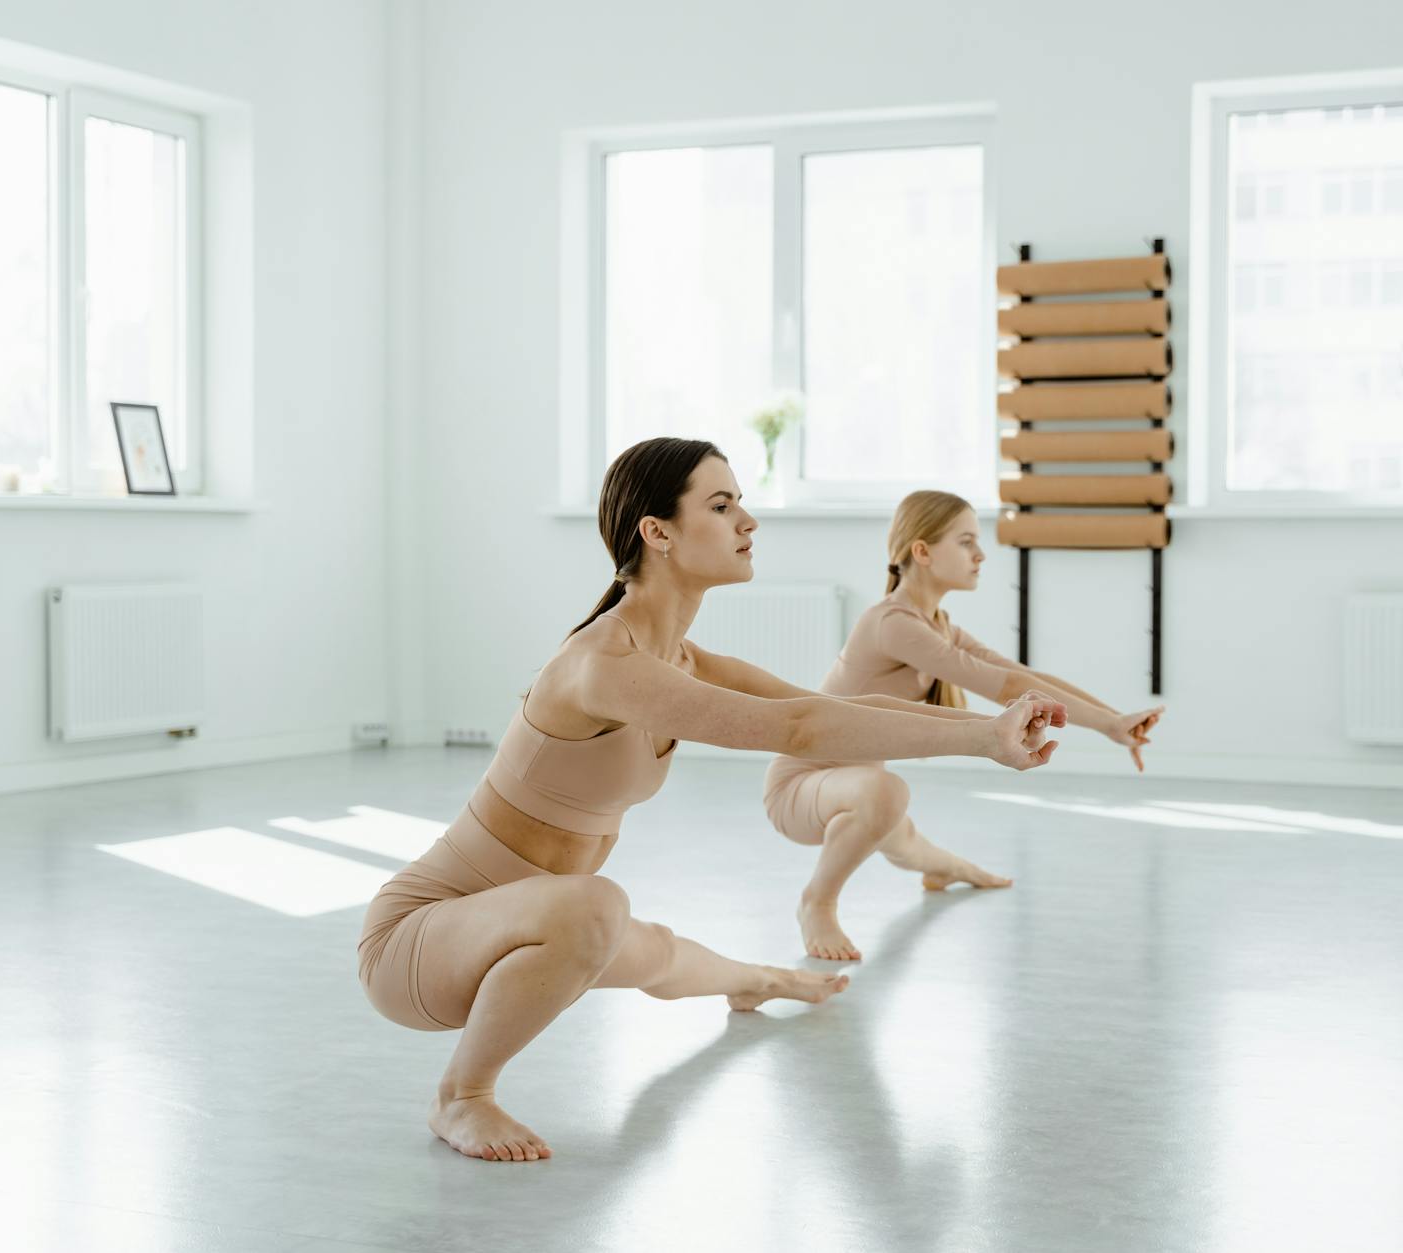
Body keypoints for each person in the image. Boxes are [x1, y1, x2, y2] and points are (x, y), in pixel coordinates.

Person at [357, 442, 1064, 1162]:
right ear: (656, 532)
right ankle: (462, 1096)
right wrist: (983, 740)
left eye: (741, 502)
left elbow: (823, 707)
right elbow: (799, 729)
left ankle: (756, 982)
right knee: (596, 906)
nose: (747, 522)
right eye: (721, 506)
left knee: (652, 949)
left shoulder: (682, 660)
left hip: (533, 923)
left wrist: (989, 728)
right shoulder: (605, 664)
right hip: (418, 942)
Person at [763, 490, 1164, 961]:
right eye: (967, 541)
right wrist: (1105, 724)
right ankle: (818, 902)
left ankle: (953, 870)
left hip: (856, 790)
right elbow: (1005, 685)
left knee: (913, 847)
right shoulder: (891, 623)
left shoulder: (938, 625)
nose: (981, 554)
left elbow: (1022, 676)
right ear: (923, 551)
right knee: (885, 792)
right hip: (801, 788)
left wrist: (1113, 722)